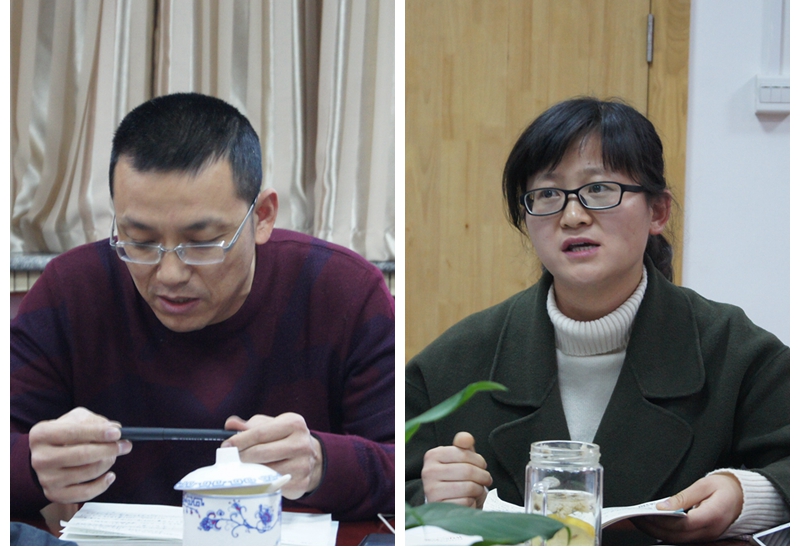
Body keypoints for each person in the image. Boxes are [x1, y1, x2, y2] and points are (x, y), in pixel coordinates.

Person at [405, 97, 788, 543]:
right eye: (547, 195)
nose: (573, 216)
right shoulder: (454, 362)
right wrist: (432, 500)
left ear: (658, 212)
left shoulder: (735, 352)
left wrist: (749, 494)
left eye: (600, 189)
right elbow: (392, 489)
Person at [11, 92, 395, 522]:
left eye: (202, 242)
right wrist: (29, 466)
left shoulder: (343, 291)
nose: (170, 273)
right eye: (140, 240)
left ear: (262, 216)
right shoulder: (72, 290)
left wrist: (323, 463)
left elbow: (404, 467)